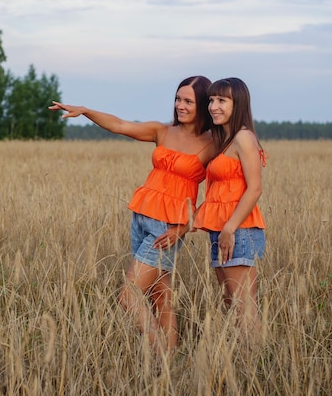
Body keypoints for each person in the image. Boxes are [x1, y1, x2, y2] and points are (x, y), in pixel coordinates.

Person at [48, 76, 214, 355]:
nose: (180, 105)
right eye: (178, 99)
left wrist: (184, 228)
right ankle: (169, 365)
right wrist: (86, 111)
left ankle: (159, 351)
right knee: (160, 296)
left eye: (188, 101)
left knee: (129, 295)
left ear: (204, 106)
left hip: (167, 227)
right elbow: (120, 125)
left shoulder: (212, 143)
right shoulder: (163, 131)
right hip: (141, 217)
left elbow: (218, 192)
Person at [193, 77, 266, 333]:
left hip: (237, 230)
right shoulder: (224, 139)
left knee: (243, 309)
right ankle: (244, 367)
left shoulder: (243, 137)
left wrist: (229, 229)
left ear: (238, 104)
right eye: (212, 100)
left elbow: (254, 188)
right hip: (222, 229)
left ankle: (257, 367)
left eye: (222, 100)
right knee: (231, 305)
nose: (213, 106)